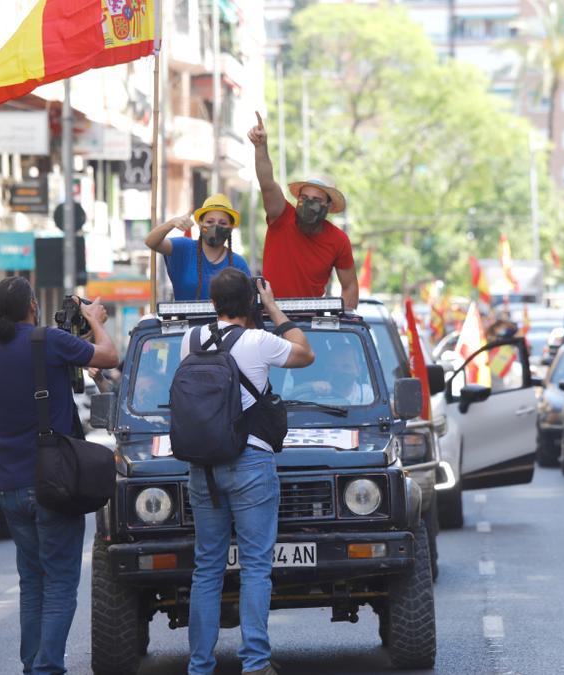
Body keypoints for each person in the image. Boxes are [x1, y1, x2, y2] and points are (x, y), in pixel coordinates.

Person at [0, 276, 119, 675]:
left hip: (9, 480)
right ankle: (46, 668)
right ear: (33, 308)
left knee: (33, 582)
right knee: (59, 583)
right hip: (53, 480)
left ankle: (33, 665)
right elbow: (107, 355)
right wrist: (93, 319)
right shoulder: (48, 342)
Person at [179, 269, 314, 675]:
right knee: (255, 566)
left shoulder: (191, 339)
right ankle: (254, 663)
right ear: (250, 304)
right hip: (250, 461)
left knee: (207, 569)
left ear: (213, 303)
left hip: (202, 466)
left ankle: (200, 665)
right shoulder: (258, 341)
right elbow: (305, 353)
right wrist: (273, 307)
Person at [248, 113, 358, 309]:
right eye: (303, 198)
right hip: (269, 314)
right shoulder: (281, 215)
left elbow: (349, 286)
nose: (308, 204)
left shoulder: (338, 240)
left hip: (309, 319)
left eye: (316, 200)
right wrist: (260, 147)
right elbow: (267, 183)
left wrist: (344, 321)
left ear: (328, 207)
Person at [145, 194, 251, 300]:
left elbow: (249, 301)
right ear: (200, 224)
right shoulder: (184, 248)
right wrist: (172, 223)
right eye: (210, 222)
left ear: (231, 227)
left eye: (222, 223)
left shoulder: (238, 264)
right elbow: (151, 242)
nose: (215, 227)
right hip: (185, 317)